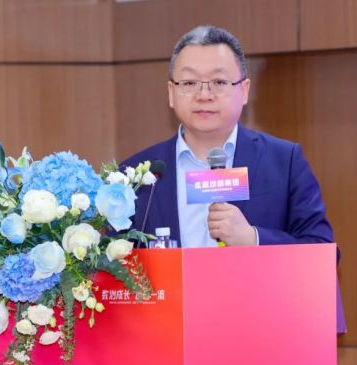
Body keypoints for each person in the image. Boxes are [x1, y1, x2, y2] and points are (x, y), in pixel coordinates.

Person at [121, 26, 345, 332]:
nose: (204, 95)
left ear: (244, 90)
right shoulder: (138, 173)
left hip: (260, 334)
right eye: (189, 82)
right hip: (166, 336)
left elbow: (323, 252)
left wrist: (252, 239)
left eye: (219, 82)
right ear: (171, 93)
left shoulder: (284, 161)